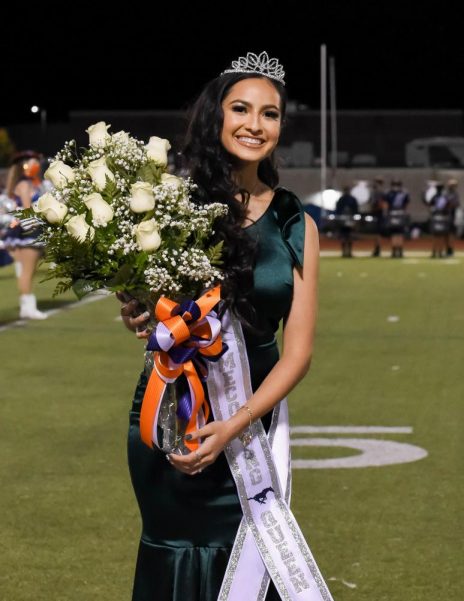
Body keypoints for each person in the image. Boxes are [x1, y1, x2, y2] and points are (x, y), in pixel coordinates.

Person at [118, 53, 326, 600]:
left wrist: (236, 424)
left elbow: (297, 353)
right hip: (173, 413)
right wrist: (137, 308)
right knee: (176, 553)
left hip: (251, 420)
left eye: (270, 114)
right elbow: (151, 311)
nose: (255, 125)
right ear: (217, 116)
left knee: (251, 560)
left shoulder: (295, 222)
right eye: (241, 109)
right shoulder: (171, 206)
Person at [3, 151, 47, 319]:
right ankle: (28, 307)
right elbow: (28, 210)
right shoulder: (25, 184)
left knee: (26, 271)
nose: (37, 165)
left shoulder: (25, 183)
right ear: (25, 165)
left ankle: (26, 306)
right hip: (28, 231)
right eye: (33, 162)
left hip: (22, 231)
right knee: (27, 272)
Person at [385, 179, 410, 258]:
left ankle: (394, 251)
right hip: (401, 213)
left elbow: (386, 204)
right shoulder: (404, 193)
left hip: (392, 213)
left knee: (394, 233)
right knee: (400, 233)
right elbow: (406, 204)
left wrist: (387, 213)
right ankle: (400, 251)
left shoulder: (389, 193)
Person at [334, 183, 359, 258]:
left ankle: (344, 252)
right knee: (349, 236)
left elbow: (337, 210)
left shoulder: (341, 199)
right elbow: (356, 210)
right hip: (350, 219)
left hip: (342, 220)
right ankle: (349, 252)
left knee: (344, 236)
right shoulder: (352, 199)